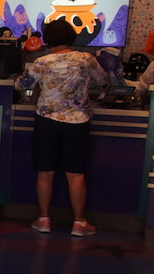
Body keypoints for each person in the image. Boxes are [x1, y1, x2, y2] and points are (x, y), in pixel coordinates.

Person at [15, 18, 108, 236]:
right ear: (71, 37)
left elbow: (20, 84)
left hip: (46, 120)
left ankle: (44, 220)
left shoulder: (41, 62)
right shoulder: (86, 59)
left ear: (47, 40)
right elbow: (103, 80)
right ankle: (79, 223)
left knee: (45, 172)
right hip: (77, 121)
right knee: (75, 174)